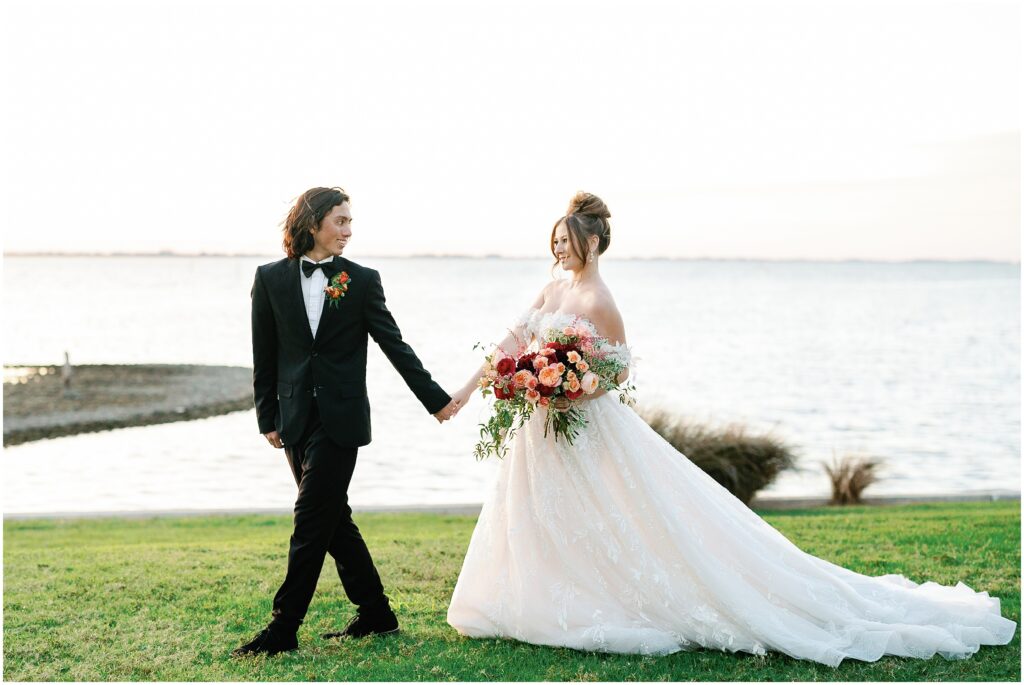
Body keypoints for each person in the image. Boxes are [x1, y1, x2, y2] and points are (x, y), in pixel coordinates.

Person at [444, 191, 1016, 666]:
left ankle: (595, 597)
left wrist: (571, 388)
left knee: (610, 512)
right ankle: (531, 598)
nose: (558, 249)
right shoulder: (551, 290)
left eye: (566, 241)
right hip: (540, 429)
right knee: (540, 512)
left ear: (591, 243)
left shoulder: (600, 299)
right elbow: (512, 343)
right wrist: (473, 389)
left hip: (582, 424)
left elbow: (616, 369)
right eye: (554, 242)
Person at [234, 186, 460, 657]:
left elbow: (393, 345)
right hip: (294, 419)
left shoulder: (361, 281)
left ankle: (284, 626)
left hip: (342, 420)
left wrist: (435, 400)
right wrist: (267, 417)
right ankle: (376, 611)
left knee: (311, 518)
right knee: (335, 521)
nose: (348, 231)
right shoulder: (270, 279)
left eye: (350, 222)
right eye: (341, 221)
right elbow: (265, 356)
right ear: (313, 222)